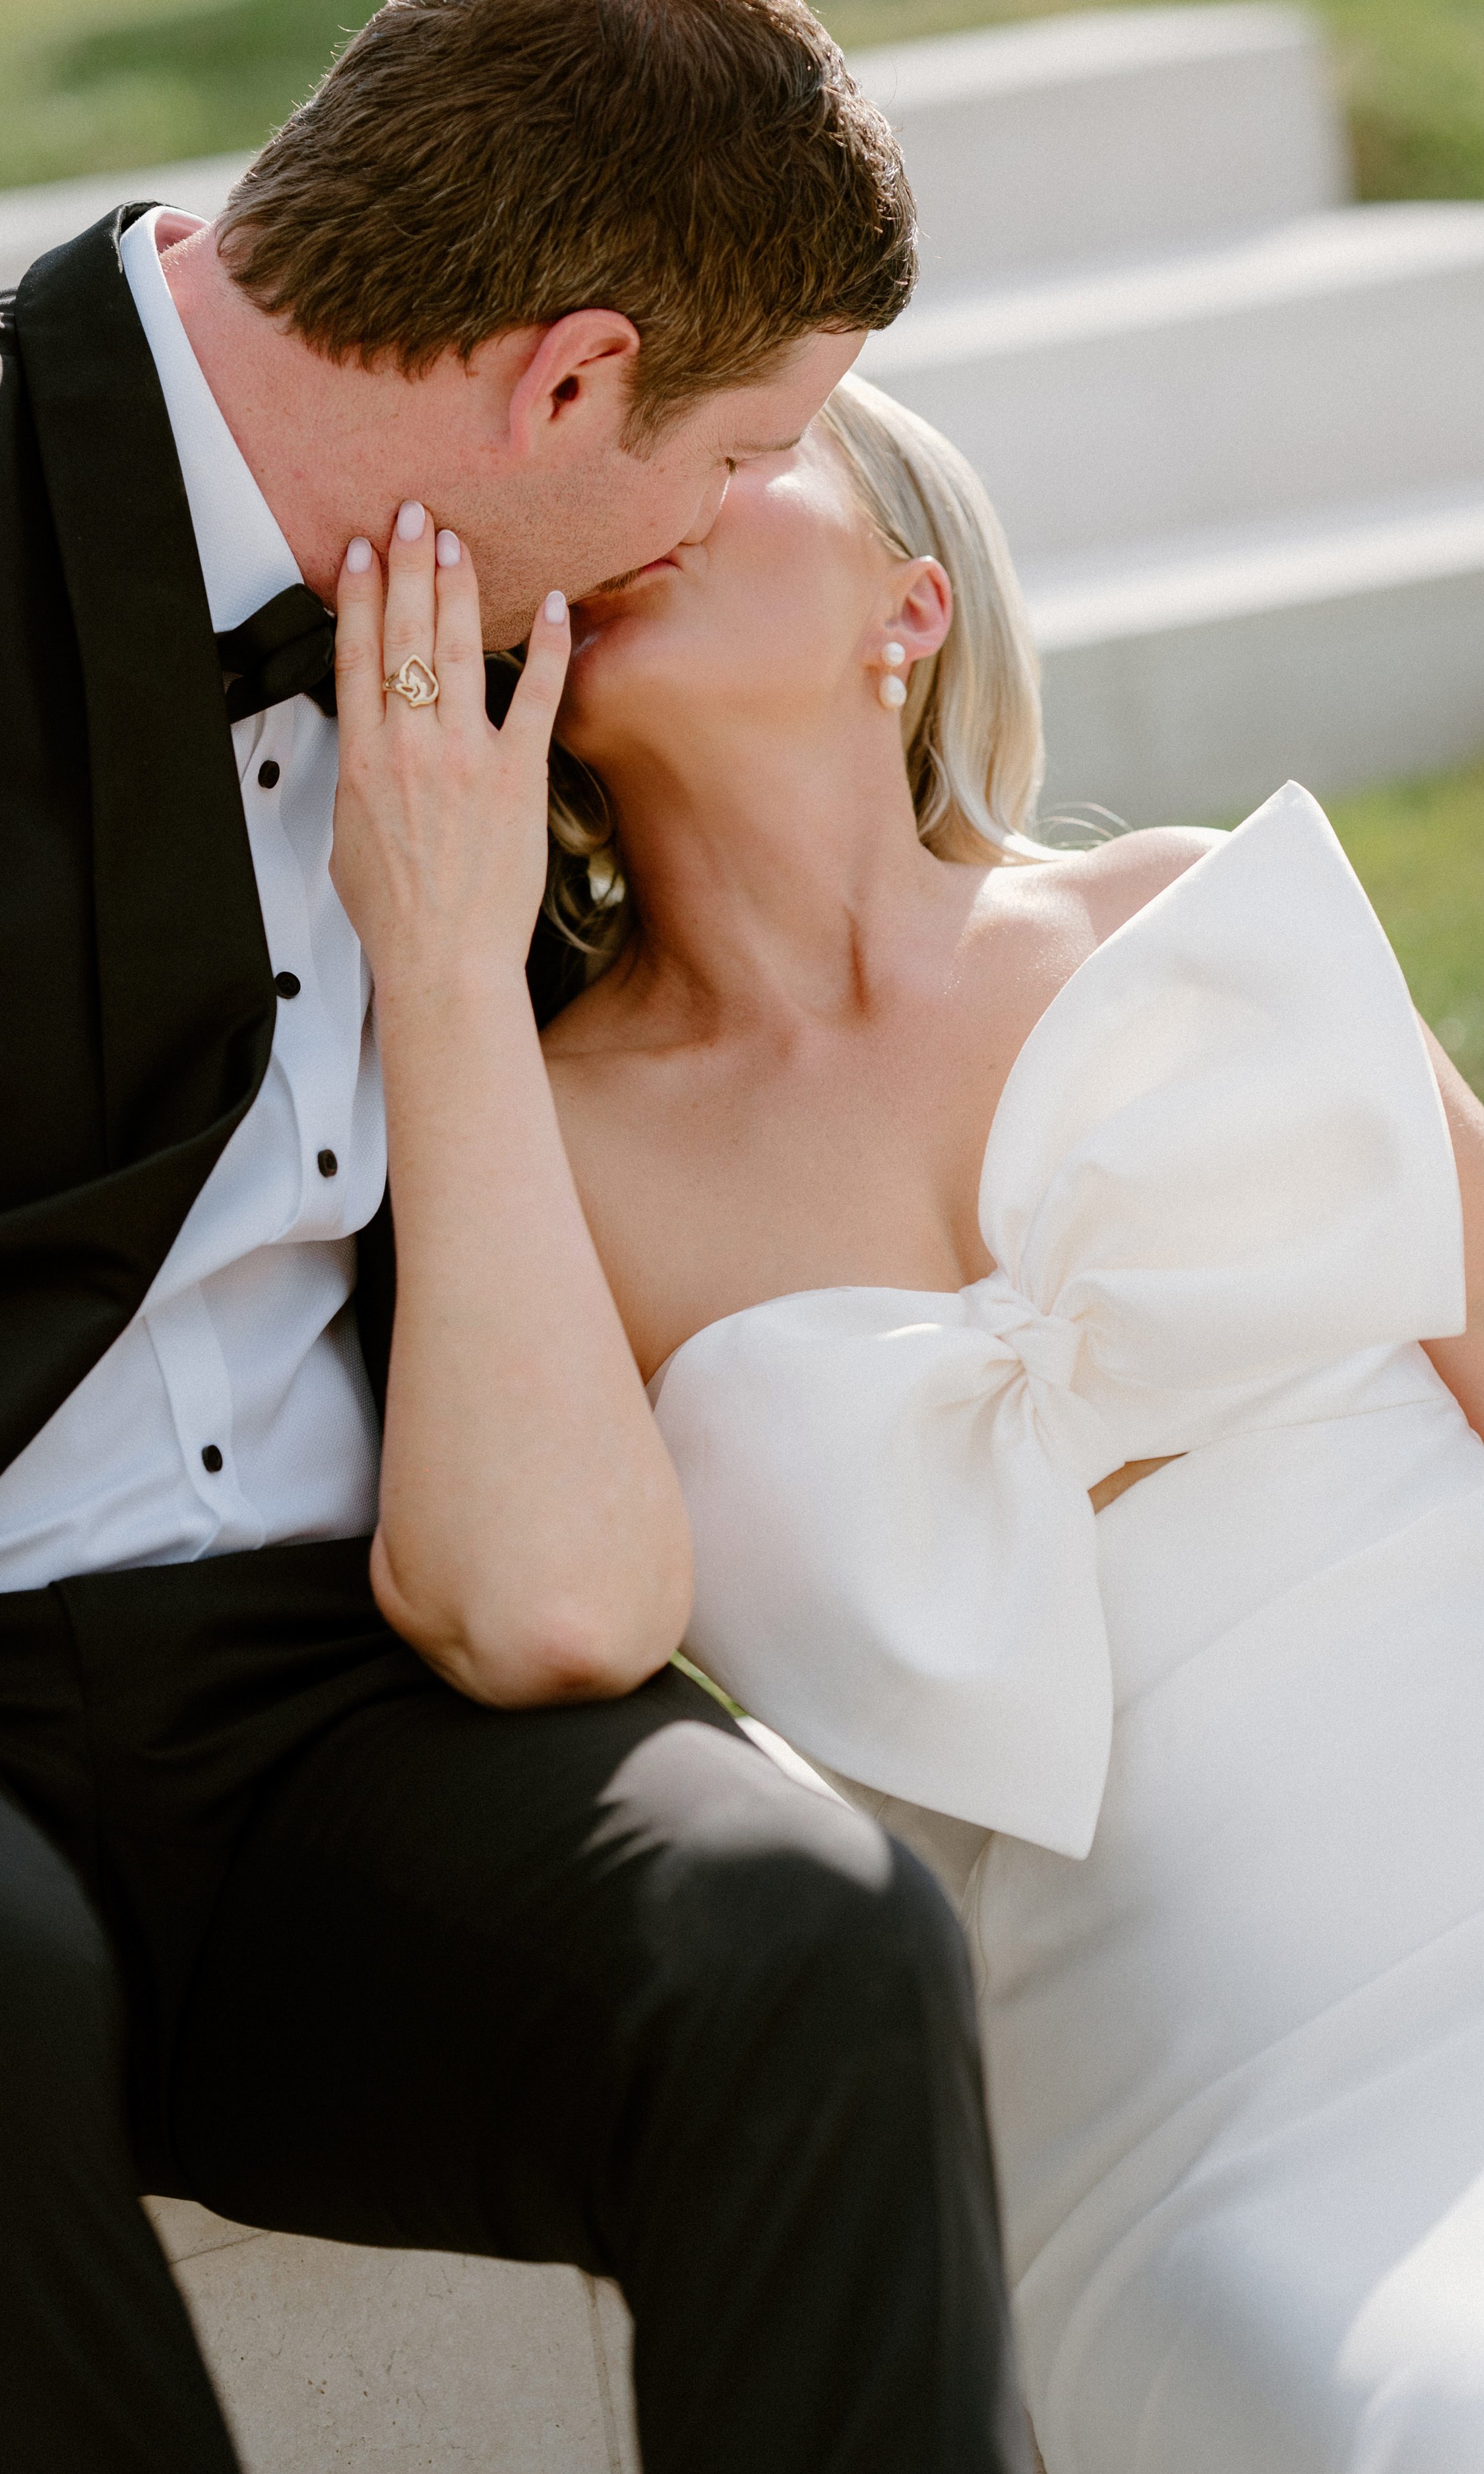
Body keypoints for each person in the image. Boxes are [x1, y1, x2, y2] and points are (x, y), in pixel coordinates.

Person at [0, 7, 1035, 2471]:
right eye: (726, 454)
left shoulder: (543, 644)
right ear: (570, 380)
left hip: (319, 1706)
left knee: (800, 1940)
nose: (716, 518)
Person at [329, 365, 1484, 2471]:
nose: (667, 483)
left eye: (750, 448)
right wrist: (437, 966)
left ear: (911, 609)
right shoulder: (526, 1143)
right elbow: (537, 1614)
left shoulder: (1179, 917)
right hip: (1175, 2116)